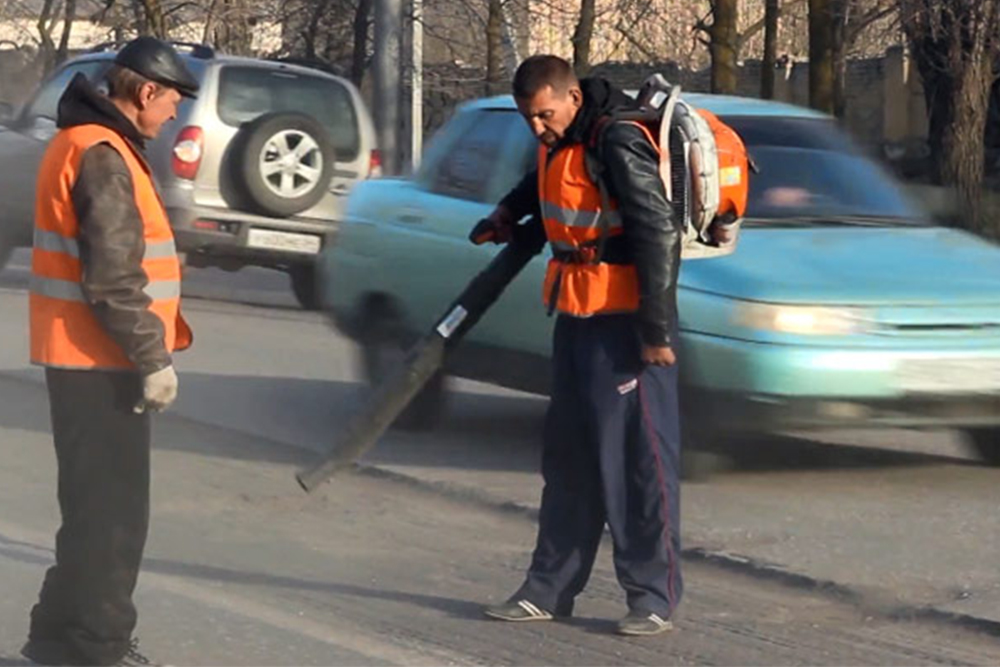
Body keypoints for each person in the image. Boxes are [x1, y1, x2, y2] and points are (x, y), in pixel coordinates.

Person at [478, 55, 683, 636]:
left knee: (639, 466)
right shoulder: (561, 138)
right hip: (576, 313)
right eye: (528, 119)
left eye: (544, 114)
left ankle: (652, 598)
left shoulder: (617, 139)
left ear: (570, 97)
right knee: (567, 460)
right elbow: (546, 185)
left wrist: (656, 331)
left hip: (627, 327)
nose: (537, 128)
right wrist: (507, 212)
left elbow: (656, 230)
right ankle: (547, 588)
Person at [23, 37, 199, 666]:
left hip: (78, 355)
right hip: (104, 360)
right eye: (173, 100)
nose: (175, 114)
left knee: (91, 511)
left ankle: (56, 638)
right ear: (145, 92)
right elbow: (115, 277)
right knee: (115, 522)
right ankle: (97, 649)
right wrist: (152, 359)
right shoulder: (102, 154)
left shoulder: (82, 142)